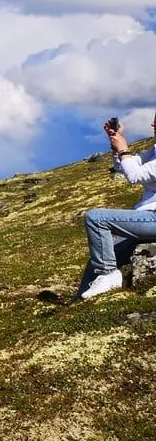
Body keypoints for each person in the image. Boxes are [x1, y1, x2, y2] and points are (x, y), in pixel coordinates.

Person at [77, 113, 156, 300]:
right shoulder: (153, 152)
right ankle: (79, 301)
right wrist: (117, 146)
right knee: (99, 257)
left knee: (96, 218)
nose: (153, 123)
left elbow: (135, 176)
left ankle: (109, 275)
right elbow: (124, 167)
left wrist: (124, 150)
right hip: (149, 218)